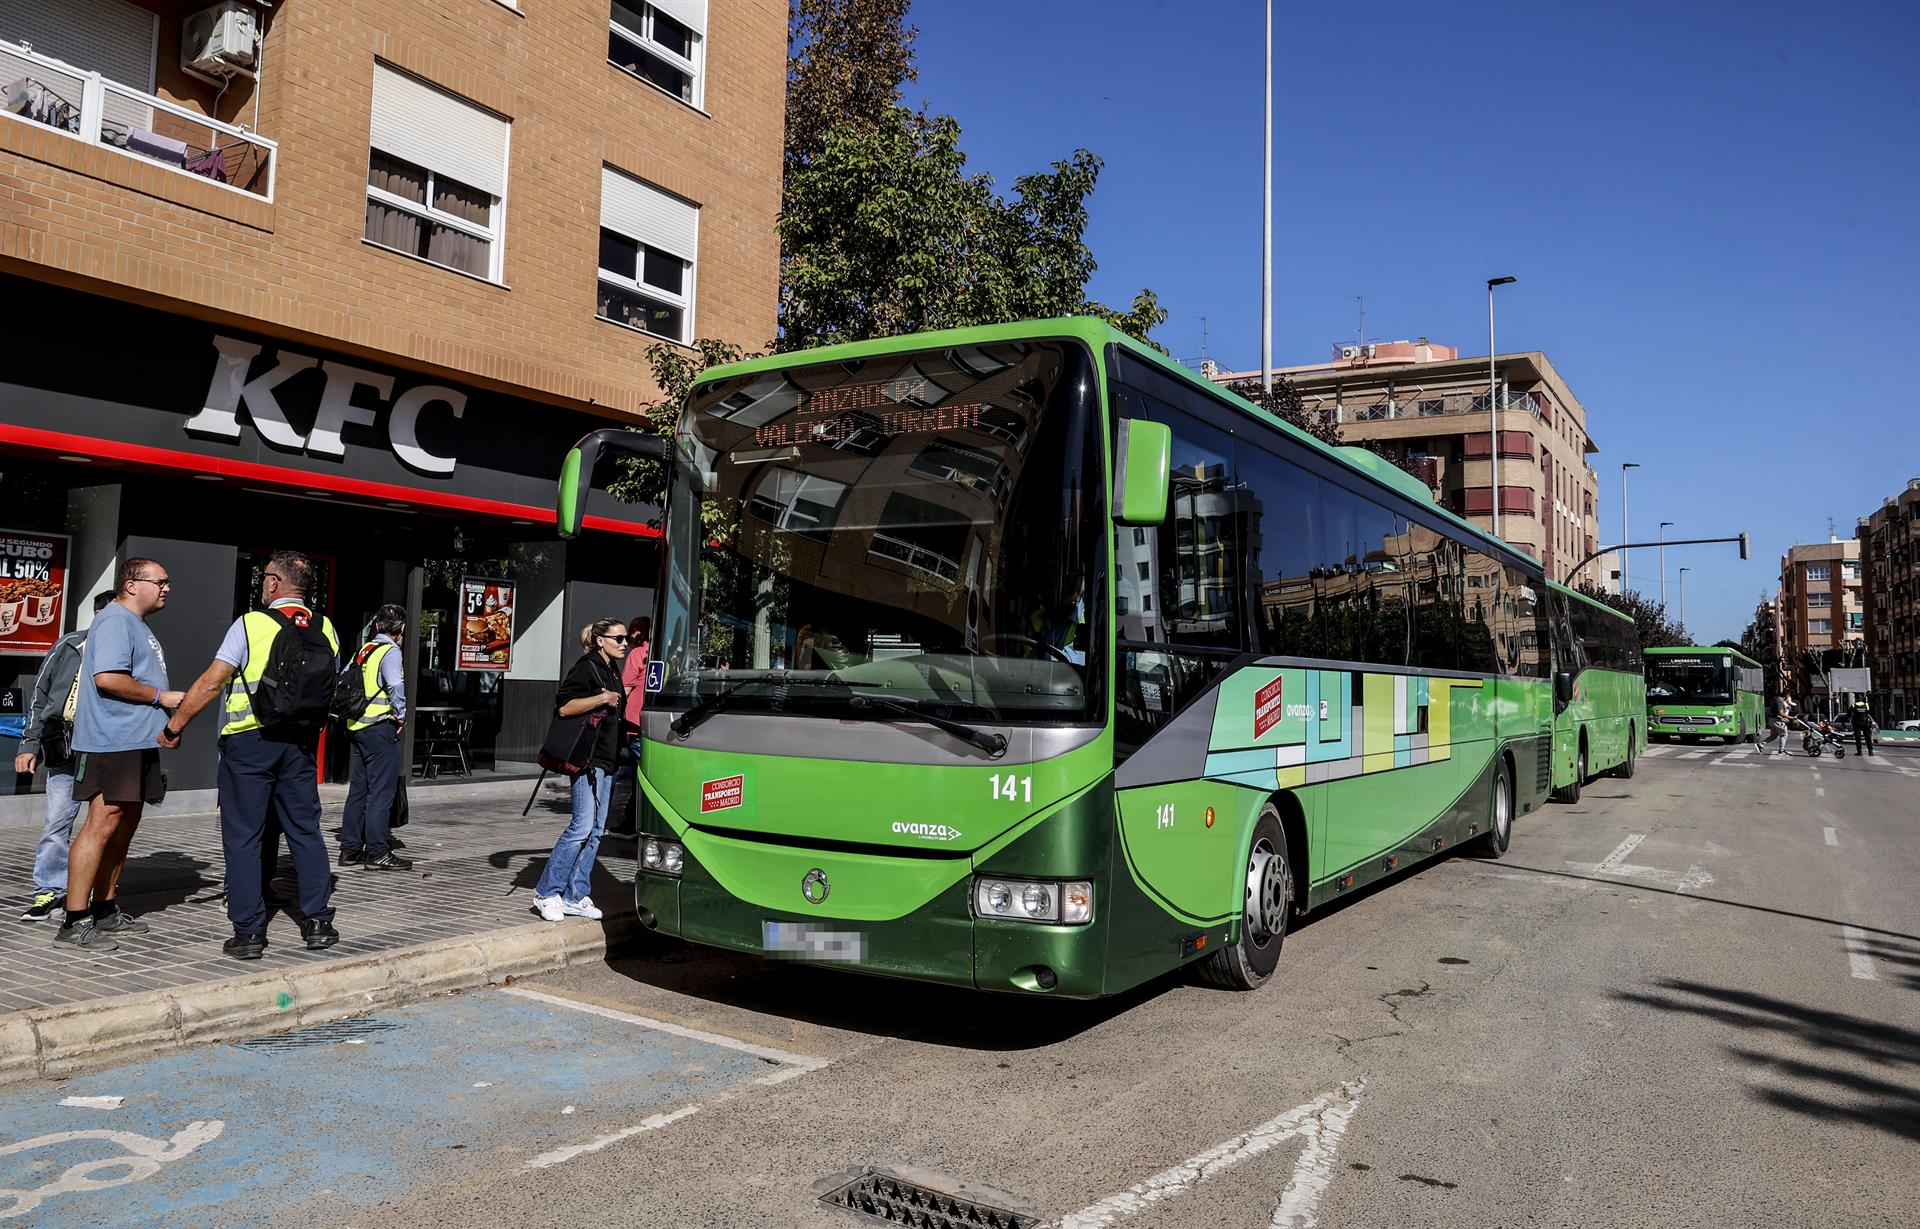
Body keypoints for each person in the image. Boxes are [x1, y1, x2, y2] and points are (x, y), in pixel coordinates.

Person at [166, 551, 340, 960]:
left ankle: (248, 932)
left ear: (275, 583)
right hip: (299, 744)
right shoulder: (326, 627)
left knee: (244, 835)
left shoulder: (250, 623)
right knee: (305, 830)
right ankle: (318, 923)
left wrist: (176, 725)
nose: (263, 583)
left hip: (250, 743)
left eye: (265, 577)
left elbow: (212, 682)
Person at [57, 561, 184, 951]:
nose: (167, 588)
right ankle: (74, 920)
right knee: (102, 824)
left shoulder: (136, 624)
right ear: (131, 584)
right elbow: (108, 678)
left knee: (124, 825)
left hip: (137, 741)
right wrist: (161, 697)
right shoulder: (114, 620)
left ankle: (105, 908)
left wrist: (164, 725)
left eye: (167, 582)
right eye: (160, 582)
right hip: (112, 741)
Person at [15, 590, 116, 922]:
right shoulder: (69, 645)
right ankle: (50, 890)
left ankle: (97, 895)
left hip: (105, 747)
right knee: (57, 822)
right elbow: (40, 696)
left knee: (105, 825)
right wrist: (29, 745)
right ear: (98, 614)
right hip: (65, 743)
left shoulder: (126, 650)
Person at [533, 618, 628, 922]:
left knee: (597, 831)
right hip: (588, 759)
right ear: (601, 640)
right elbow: (564, 707)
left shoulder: (611, 668)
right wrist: (603, 697)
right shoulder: (587, 667)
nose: (625, 643)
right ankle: (546, 893)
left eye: (625, 638)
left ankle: (575, 895)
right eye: (619, 638)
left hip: (608, 759)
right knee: (581, 827)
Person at [339, 604, 411, 870]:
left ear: (378, 625)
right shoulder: (390, 652)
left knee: (358, 790)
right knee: (381, 791)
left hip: (358, 727)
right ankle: (378, 851)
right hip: (380, 728)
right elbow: (395, 685)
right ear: (402, 629)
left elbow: (344, 679)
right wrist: (400, 715)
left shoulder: (364, 650)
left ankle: (350, 850)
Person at [609, 615, 651, 836]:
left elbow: (625, 689)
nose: (629, 636)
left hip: (634, 721)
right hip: (650, 722)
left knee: (638, 776)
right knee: (641, 774)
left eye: (633, 630)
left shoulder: (637, 654)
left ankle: (631, 823)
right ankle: (631, 822)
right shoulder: (659, 654)